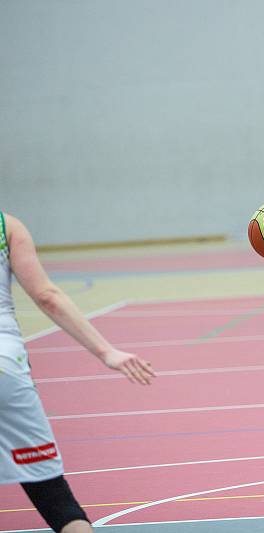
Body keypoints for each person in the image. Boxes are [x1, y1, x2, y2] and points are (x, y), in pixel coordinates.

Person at [0, 212, 156, 532]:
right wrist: (106, 351)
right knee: (50, 492)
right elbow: (47, 296)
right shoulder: (7, 226)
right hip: (7, 365)